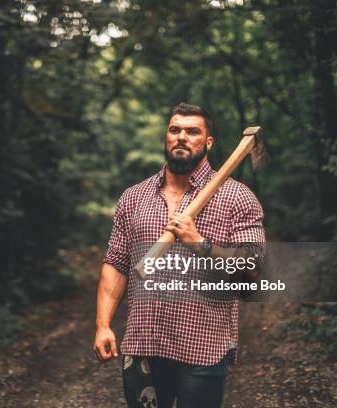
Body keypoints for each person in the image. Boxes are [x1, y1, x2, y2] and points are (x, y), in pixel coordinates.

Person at [92, 103, 265, 408]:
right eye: (175, 130)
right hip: (143, 344)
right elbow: (116, 263)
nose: (182, 137)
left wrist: (198, 241)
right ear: (166, 136)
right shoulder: (134, 197)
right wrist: (103, 324)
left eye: (193, 131)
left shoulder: (237, 197)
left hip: (203, 348)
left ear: (208, 142)